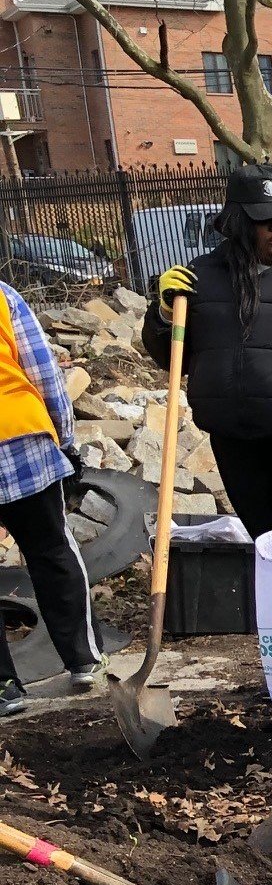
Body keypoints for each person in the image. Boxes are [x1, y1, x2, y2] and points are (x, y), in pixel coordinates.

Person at [142, 163, 272, 539]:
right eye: (264, 220)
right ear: (238, 222)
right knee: (266, 541)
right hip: (234, 442)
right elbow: (172, 362)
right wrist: (164, 314)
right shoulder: (200, 276)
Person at [0, 278, 100, 715]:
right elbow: (42, 368)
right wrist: (65, 438)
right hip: (20, 437)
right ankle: (82, 661)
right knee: (51, 549)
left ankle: (5, 689)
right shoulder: (1, 294)